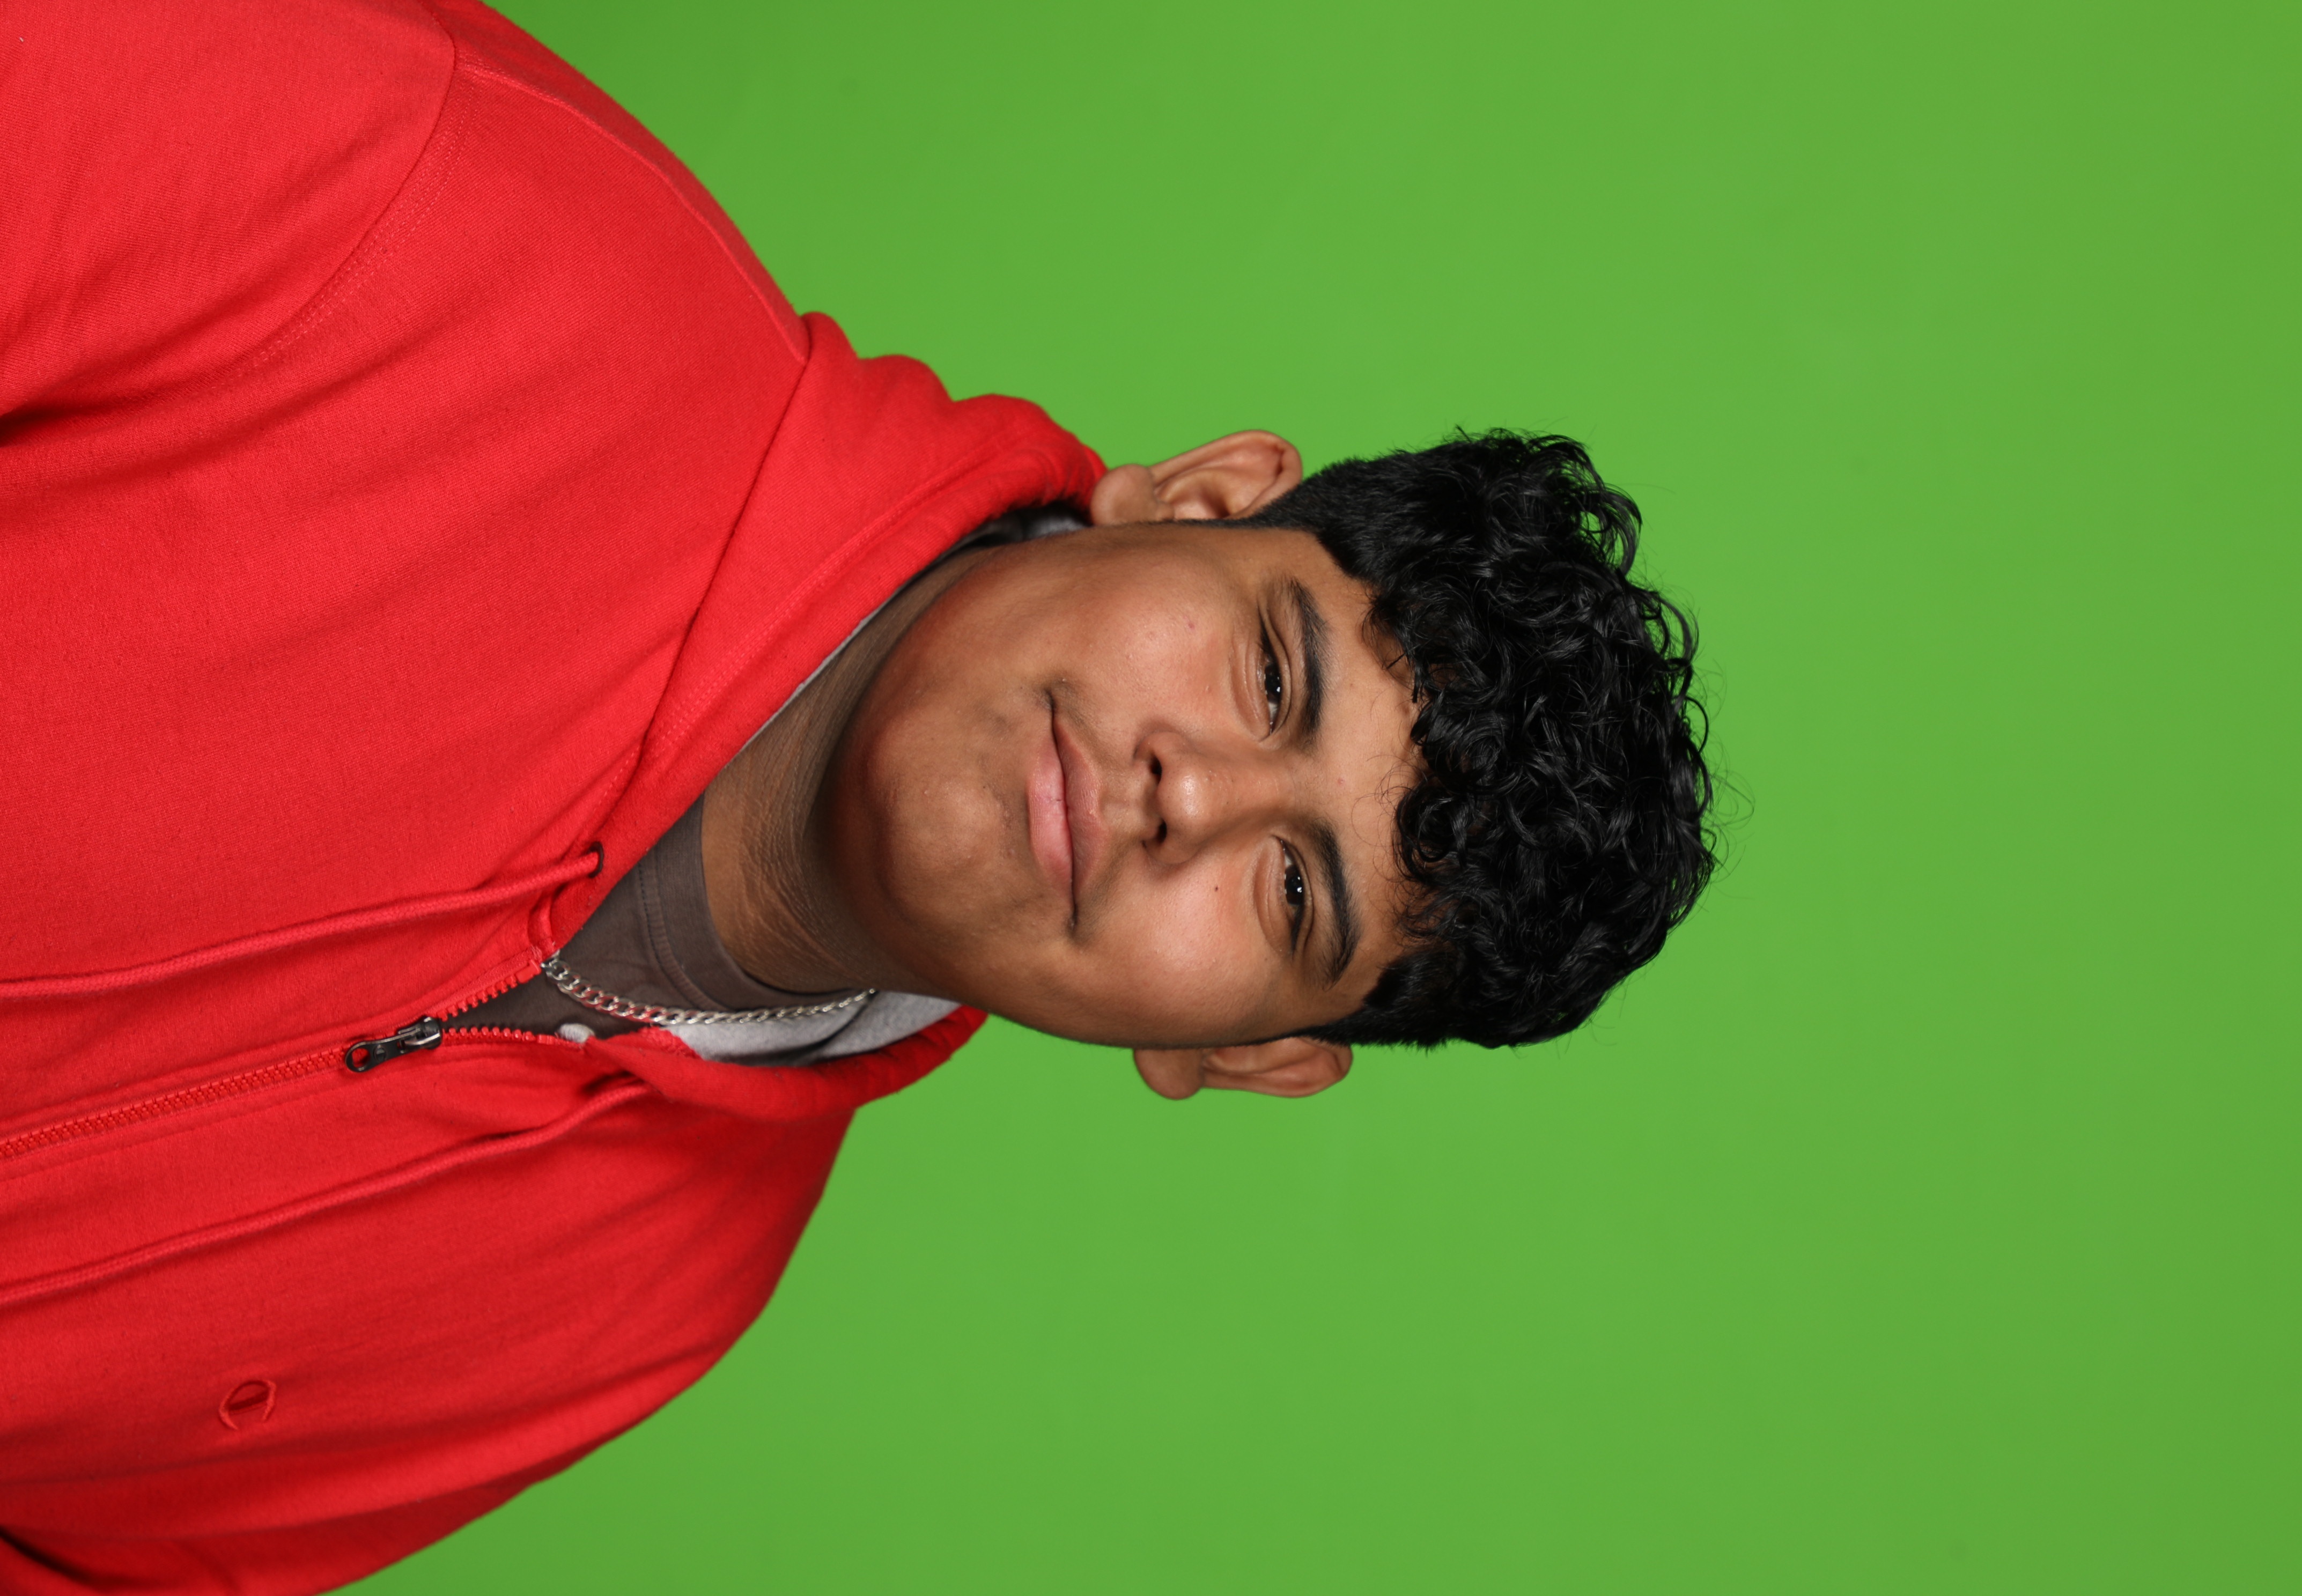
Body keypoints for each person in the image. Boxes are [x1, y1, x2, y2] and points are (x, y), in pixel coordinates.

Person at [0, 0, 1715, 1588]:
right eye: (1269, 676)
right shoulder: (443, 206)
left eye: (1292, 891)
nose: (1187, 796)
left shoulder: (648, 1309)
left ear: (1248, 1052)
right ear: (1195, 500)